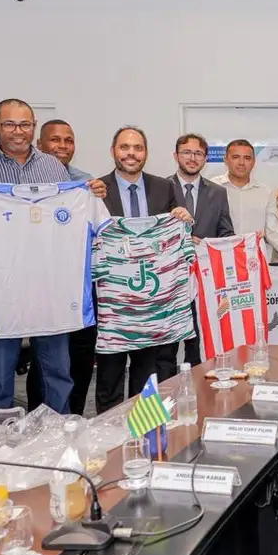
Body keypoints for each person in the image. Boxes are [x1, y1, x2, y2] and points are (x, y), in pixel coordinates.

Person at [0, 99, 104, 414]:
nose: (18, 131)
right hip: (0, 288)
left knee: (57, 372)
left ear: (34, 126)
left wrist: (92, 194)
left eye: (25, 124)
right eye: (9, 124)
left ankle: (57, 433)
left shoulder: (53, 167)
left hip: (51, 286)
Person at [95, 126, 191, 412]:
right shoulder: (96, 190)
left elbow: (175, 225)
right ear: (113, 151)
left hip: (152, 302)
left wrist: (183, 218)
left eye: (138, 148)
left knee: (145, 378)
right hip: (114, 306)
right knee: (109, 377)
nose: (131, 153)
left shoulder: (164, 187)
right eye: (124, 147)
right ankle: (108, 430)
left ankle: (141, 429)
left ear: (146, 153)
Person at [29, 118, 96, 412]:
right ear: (39, 144)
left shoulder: (85, 182)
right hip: (39, 283)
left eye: (68, 140)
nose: (62, 146)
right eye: (55, 139)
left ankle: (75, 419)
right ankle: (38, 419)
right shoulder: (26, 182)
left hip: (78, 285)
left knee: (80, 357)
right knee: (45, 361)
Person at [169, 133, 234, 366]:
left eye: (198, 153)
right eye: (186, 152)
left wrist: (242, 244)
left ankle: (198, 387)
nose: (192, 158)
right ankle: (167, 387)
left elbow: (226, 233)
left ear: (205, 158)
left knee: (199, 344)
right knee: (166, 350)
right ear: (176, 156)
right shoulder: (160, 188)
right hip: (171, 280)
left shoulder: (218, 192)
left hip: (205, 281)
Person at [216, 139, 272, 237]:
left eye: (247, 158)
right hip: (221, 247)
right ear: (226, 160)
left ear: (253, 162)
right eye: (235, 157)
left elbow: (273, 230)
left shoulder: (266, 192)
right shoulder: (211, 188)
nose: (241, 162)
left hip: (255, 247)